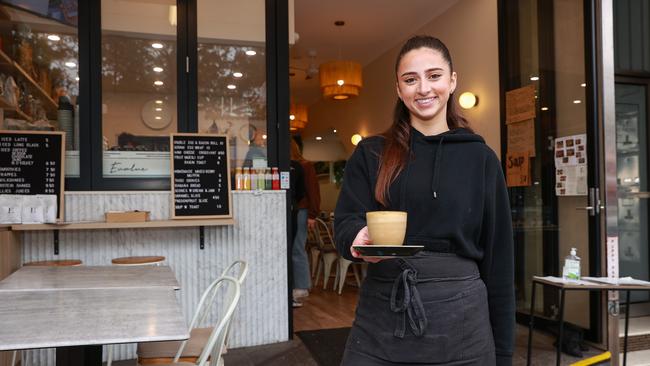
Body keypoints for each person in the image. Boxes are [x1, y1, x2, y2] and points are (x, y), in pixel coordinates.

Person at [334, 35, 514, 365]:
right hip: (382, 313)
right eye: (410, 79)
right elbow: (346, 221)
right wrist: (358, 238)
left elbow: (499, 260)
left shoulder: (481, 158)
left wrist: (503, 353)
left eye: (434, 76)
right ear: (398, 89)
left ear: (452, 81)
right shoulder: (371, 152)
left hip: (462, 322)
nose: (423, 89)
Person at [290, 138, 321, 307]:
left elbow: (312, 192)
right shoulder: (294, 166)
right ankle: (297, 286)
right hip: (295, 210)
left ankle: (301, 287)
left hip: (301, 211)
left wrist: (312, 215)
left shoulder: (305, 166)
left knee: (297, 247)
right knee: (296, 248)